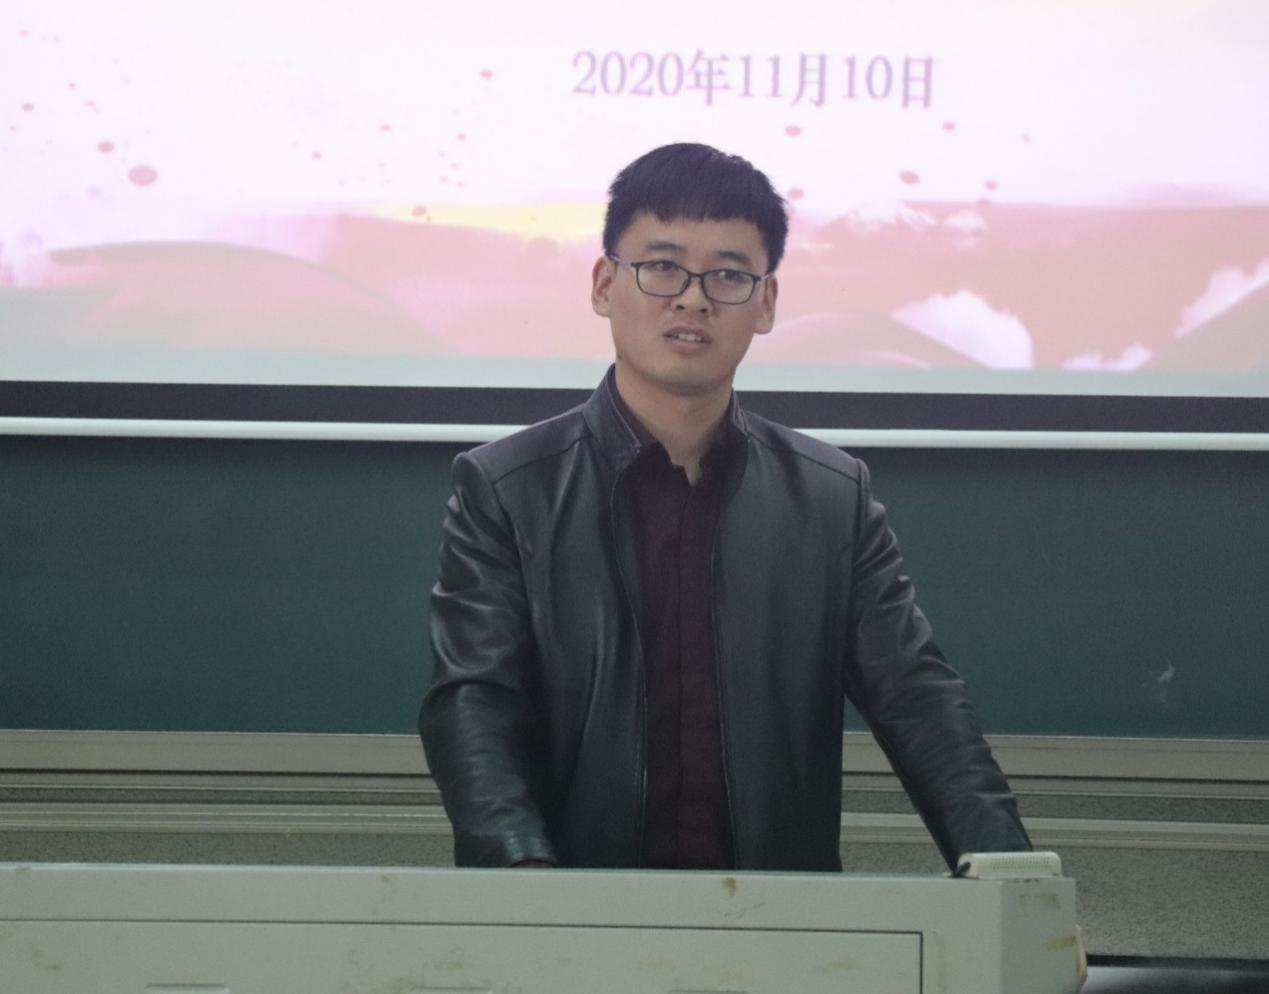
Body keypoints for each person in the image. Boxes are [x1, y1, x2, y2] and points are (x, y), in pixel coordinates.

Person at [419, 142, 1032, 872]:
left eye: (729, 275)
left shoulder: (831, 498)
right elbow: (475, 705)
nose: (692, 298)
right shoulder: (506, 489)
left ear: (766, 303)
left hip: (777, 910)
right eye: (662, 266)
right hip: (572, 903)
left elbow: (917, 698)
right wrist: (525, 880)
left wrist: (1012, 875)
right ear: (604, 284)